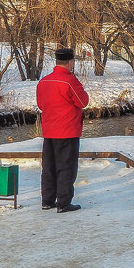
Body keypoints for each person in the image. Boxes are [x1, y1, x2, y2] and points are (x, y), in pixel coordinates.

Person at [36, 48, 89, 212]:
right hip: (68, 130)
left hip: (49, 131)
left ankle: (47, 200)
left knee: (49, 167)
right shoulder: (69, 81)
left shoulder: (43, 81)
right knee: (66, 167)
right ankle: (64, 202)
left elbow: (40, 105)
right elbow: (83, 101)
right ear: (70, 62)